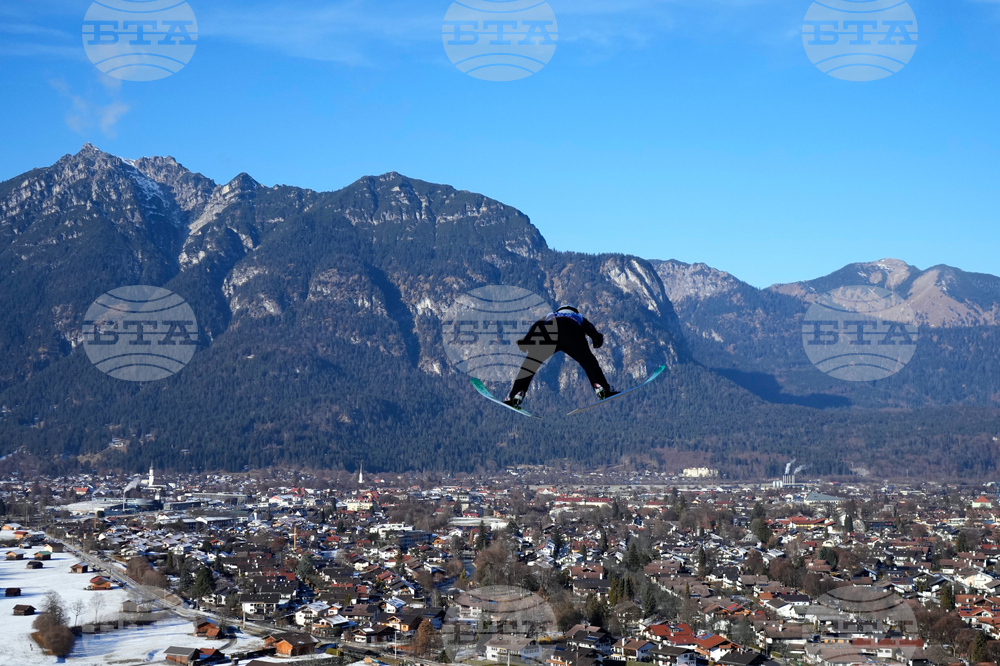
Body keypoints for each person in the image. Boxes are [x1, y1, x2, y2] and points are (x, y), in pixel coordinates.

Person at [505, 305, 618, 408]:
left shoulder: (550, 315)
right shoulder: (578, 316)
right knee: (588, 361)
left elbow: (536, 326)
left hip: (549, 330)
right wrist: (597, 338)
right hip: (572, 332)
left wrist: (526, 341)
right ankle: (601, 387)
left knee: (530, 363)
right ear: (573, 310)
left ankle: (516, 394)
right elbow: (590, 328)